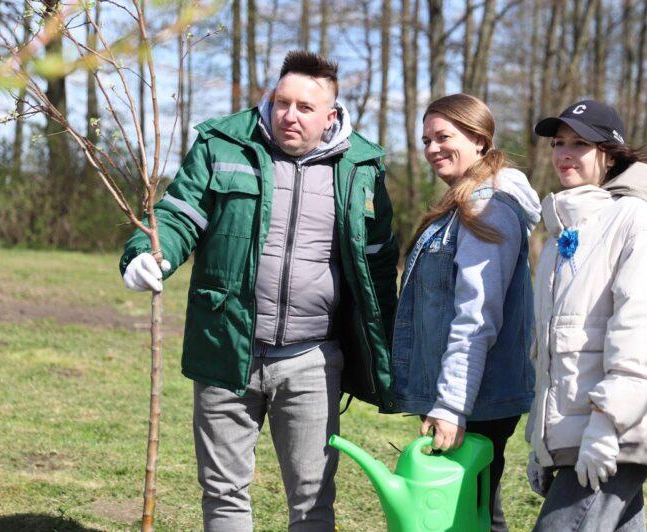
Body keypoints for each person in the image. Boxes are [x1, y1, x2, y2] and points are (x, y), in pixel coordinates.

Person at [119, 51, 398, 531]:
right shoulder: (224, 144)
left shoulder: (362, 168)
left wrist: (389, 348)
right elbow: (180, 213)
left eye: (305, 108)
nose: (289, 115)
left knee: (313, 502)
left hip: (313, 359)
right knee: (224, 492)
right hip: (227, 348)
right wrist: (149, 252)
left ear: (331, 116)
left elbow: (378, 265)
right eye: (281, 102)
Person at [525, 99, 647, 530]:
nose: (564, 153)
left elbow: (644, 334)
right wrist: (540, 442)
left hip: (623, 421)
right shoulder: (562, 234)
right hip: (582, 425)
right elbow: (552, 349)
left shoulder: (639, 223)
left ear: (609, 154)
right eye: (558, 143)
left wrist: (607, 425)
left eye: (580, 144)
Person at [390, 93, 541, 532]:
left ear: (478, 139)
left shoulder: (486, 205)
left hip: (478, 398)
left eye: (443, 137)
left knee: (469, 517)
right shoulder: (466, 202)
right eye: (426, 140)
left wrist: (452, 405)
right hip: (468, 393)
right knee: (474, 512)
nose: (432, 149)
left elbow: (477, 316)